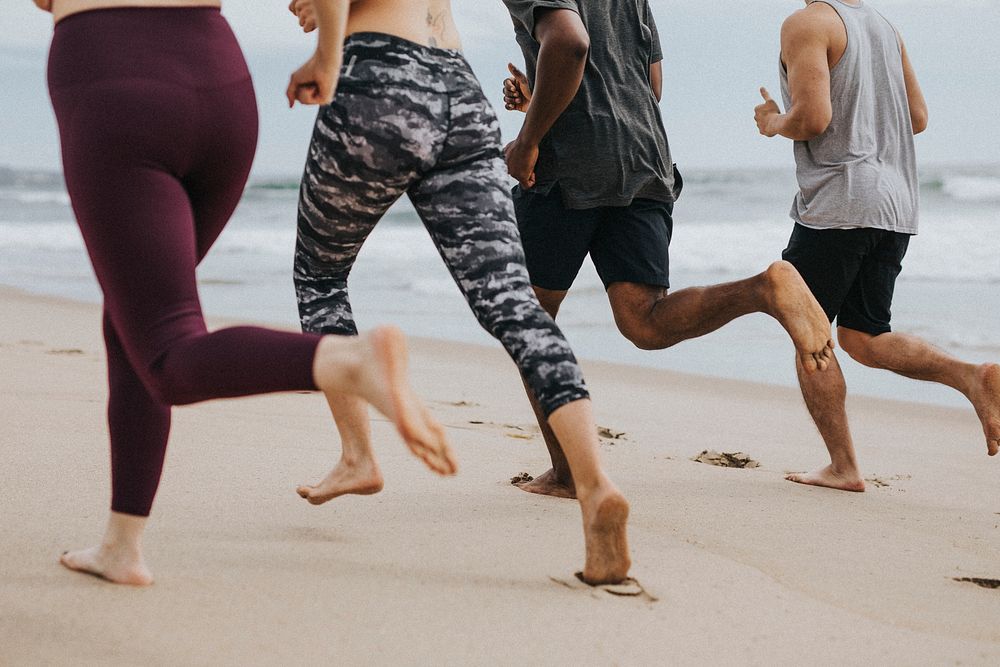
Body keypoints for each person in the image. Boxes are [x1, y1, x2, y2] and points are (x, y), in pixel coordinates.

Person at [35, 0, 455, 586]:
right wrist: (327, 57)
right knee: (132, 322)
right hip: (222, 86)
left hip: (116, 79)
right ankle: (121, 545)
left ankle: (345, 359)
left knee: (165, 349)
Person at [287, 0, 631, 584]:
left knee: (320, 279)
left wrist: (326, 53)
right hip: (459, 88)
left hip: (380, 76)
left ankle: (356, 455)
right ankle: (595, 484)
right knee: (513, 303)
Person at [500, 0, 835, 499]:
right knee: (645, 320)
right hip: (644, 156)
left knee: (527, 318)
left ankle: (569, 473)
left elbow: (569, 43)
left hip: (570, 166)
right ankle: (763, 290)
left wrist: (528, 137)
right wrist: (541, 98)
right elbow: (649, 83)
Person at [754, 0, 1000, 491]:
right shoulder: (885, 27)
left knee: (811, 333)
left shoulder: (807, 23)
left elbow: (813, 119)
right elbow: (918, 116)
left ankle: (843, 467)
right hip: (895, 203)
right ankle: (972, 376)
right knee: (864, 337)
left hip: (841, 203)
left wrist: (774, 122)